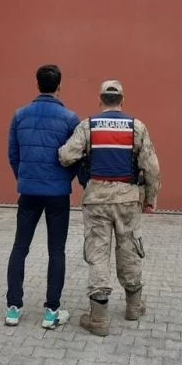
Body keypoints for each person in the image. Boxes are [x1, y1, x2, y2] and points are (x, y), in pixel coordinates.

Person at [58, 79, 161, 337]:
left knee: (98, 253)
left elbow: (66, 156)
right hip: (128, 199)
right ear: (122, 101)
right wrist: (150, 199)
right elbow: (151, 167)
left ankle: (99, 319)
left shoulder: (88, 125)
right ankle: (134, 307)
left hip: (97, 200)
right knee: (129, 250)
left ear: (100, 100)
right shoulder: (136, 127)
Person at [5, 64, 80, 329]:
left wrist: (24, 178)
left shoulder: (19, 115)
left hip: (28, 192)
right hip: (58, 194)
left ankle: (13, 308)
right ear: (59, 86)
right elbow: (76, 158)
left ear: (37, 85)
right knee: (56, 251)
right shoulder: (71, 119)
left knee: (20, 247)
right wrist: (63, 180)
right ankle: (51, 312)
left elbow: (13, 155)